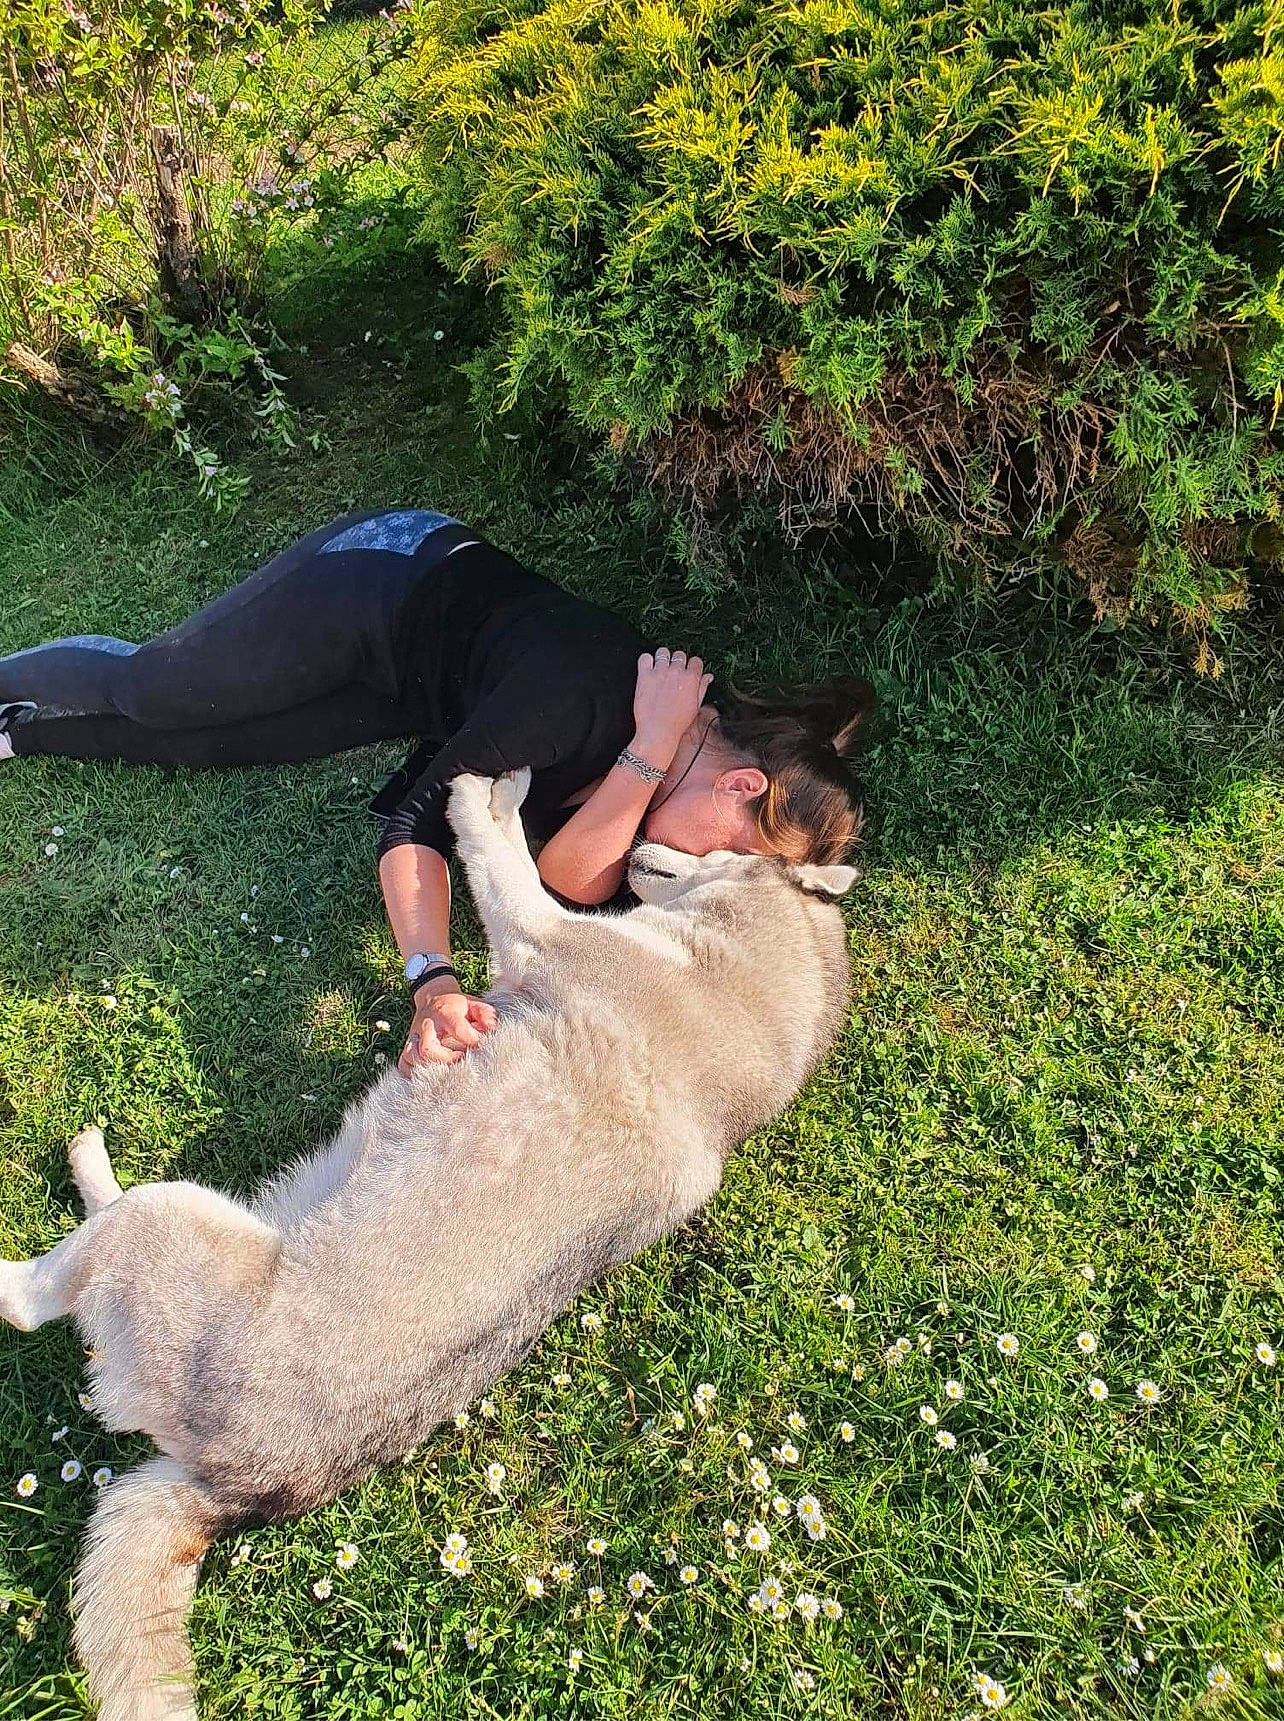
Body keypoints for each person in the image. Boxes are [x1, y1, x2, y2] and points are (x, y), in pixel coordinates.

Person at [0, 507, 872, 1074]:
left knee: (217, 743)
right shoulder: (585, 700)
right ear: (741, 786)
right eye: (729, 851)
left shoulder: (653, 758)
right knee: (166, 689)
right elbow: (416, 813)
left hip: (413, 683)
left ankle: (20, 730)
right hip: (385, 584)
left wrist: (647, 753)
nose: (701, 868)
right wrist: (433, 979)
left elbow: (573, 882)